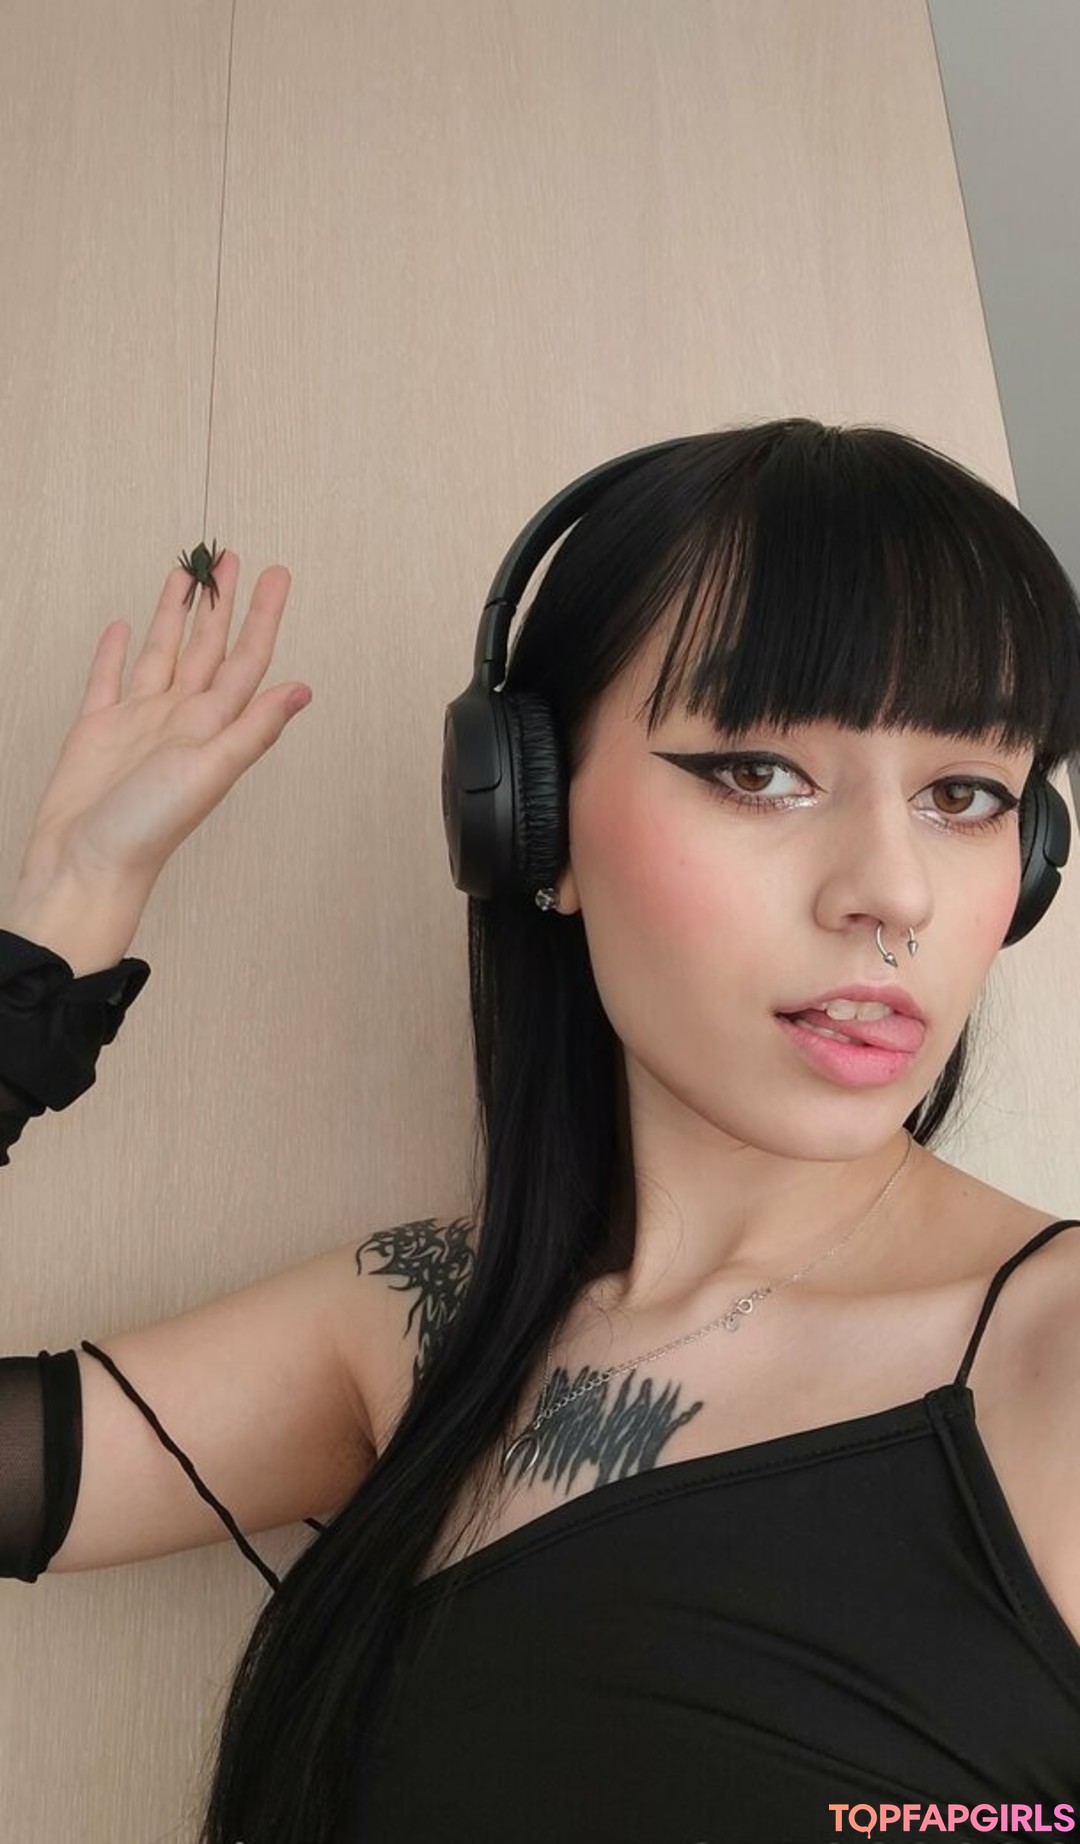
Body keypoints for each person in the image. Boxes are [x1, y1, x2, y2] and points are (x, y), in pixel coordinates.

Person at [2, 419, 1079, 1844]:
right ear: (533, 819)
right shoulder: (422, 1327)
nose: (895, 892)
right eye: (762, 771)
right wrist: (54, 935)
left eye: (965, 796)